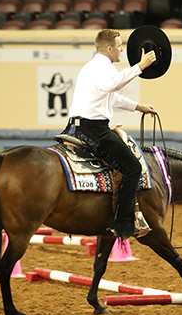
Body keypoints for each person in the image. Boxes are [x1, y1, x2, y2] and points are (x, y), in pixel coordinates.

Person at [65, 29, 157, 240]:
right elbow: (111, 85)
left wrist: (138, 107)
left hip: (75, 127)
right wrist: (140, 67)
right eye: (119, 45)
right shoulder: (103, 68)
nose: (122, 49)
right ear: (109, 49)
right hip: (94, 130)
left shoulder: (91, 67)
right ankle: (123, 222)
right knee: (133, 167)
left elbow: (111, 97)